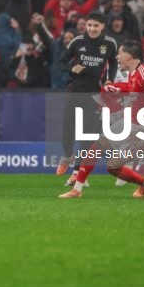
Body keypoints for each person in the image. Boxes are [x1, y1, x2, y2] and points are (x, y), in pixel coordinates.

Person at [59, 40, 144, 199]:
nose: (117, 57)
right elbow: (134, 95)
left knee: (113, 167)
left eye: (119, 53)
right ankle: (77, 189)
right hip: (130, 123)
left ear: (128, 56)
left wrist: (140, 130)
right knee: (97, 146)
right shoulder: (133, 74)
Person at [55, 11, 118, 179]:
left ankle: (77, 172)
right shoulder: (77, 42)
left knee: (87, 134)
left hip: (95, 95)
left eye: (96, 26)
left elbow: (113, 64)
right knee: (67, 134)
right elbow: (59, 63)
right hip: (75, 92)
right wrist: (71, 68)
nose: (92, 29)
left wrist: (109, 80)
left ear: (102, 26)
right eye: (89, 25)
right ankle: (68, 156)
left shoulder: (110, 43)